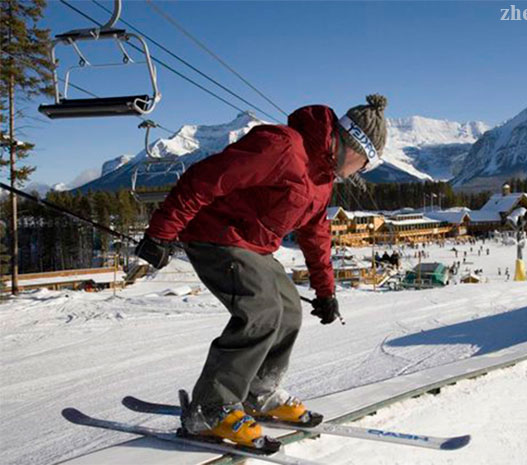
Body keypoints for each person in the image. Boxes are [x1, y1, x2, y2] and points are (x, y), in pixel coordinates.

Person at [135, 94, 388, 452]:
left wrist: (325, 291)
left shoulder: (322, 177)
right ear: (353, 145)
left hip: (253, 246)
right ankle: (210, 408)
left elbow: (316, 234)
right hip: (215, 236)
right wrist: (162, 231)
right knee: (262, 310)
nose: (361, 172)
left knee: (288, 310)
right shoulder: (283, 147)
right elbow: (206, 179)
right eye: (367, 163)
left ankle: (259, 390)